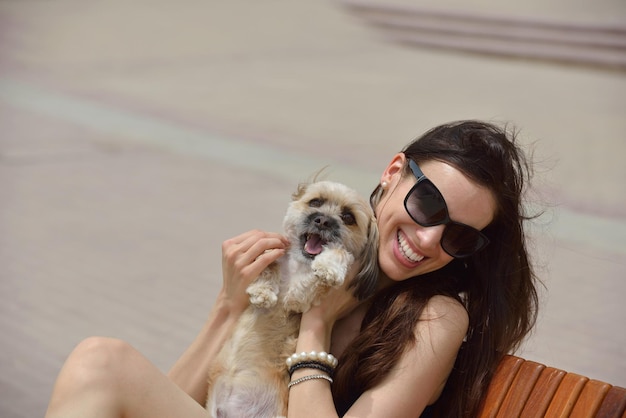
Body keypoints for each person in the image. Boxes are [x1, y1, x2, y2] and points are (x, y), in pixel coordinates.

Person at [45, 120, 540, 418]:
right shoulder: (305, 267)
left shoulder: (436, 316)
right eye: (428, 204)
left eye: (459, 235)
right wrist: (228, 306)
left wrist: (316, 324)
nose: (429, 238)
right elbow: (175, 402)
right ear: (393, 173)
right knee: (101, 359)